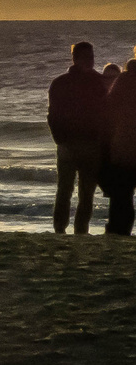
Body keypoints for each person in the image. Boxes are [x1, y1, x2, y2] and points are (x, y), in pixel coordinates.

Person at [47, 41, 108, 234]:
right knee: (68, 190)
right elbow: (53, 116)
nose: (91, 61)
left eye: (92, 57)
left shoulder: (98, 82)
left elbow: (106, 114)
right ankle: (62, 229)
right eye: (87, 57)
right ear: (75, 58)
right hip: (72, 145)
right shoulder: (62, 83)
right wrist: (60, 140)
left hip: (88, 144)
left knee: (83, 192)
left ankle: (77, 230)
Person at [103, 57, 136, 235]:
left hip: (123, 147)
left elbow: (108, 110)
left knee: (121, 196)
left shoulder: (122, 82)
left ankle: (117, 230)